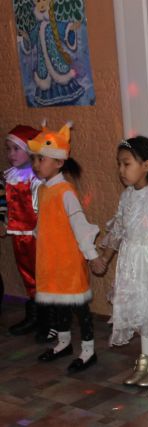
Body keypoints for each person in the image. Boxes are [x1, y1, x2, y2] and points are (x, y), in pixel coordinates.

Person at [98, 135, 148, 388]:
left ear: (146, 165)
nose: (121, 170)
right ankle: (145, 361)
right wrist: (105, 258)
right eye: (119, 164)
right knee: (142, 313)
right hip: (131, 264)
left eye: (126, 164)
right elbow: (118, 230)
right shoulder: (127, 196)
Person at [27, 121, 104, 373]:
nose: (36, 164)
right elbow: (44, 222)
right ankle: (63, 342)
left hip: (69, 261)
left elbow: (79, 225)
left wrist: (92, 255)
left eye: (41, 159)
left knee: (78, 307)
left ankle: (88, 350)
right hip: (50, 259)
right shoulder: (43, 189)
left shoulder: (65, 192)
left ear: (59, 162)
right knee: (58, 303)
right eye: (34, 159)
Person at [1, 125, 47, 339]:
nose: (11, 154)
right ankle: (35, 313)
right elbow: (8, 203)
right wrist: (4, 221)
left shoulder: (35, 179)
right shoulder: (11, 176)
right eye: (8, 149)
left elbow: (41, 209)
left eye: (16, 149)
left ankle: (47, 318)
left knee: (41, 275)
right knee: (27, 274)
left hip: (35, 236)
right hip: (18, 235)